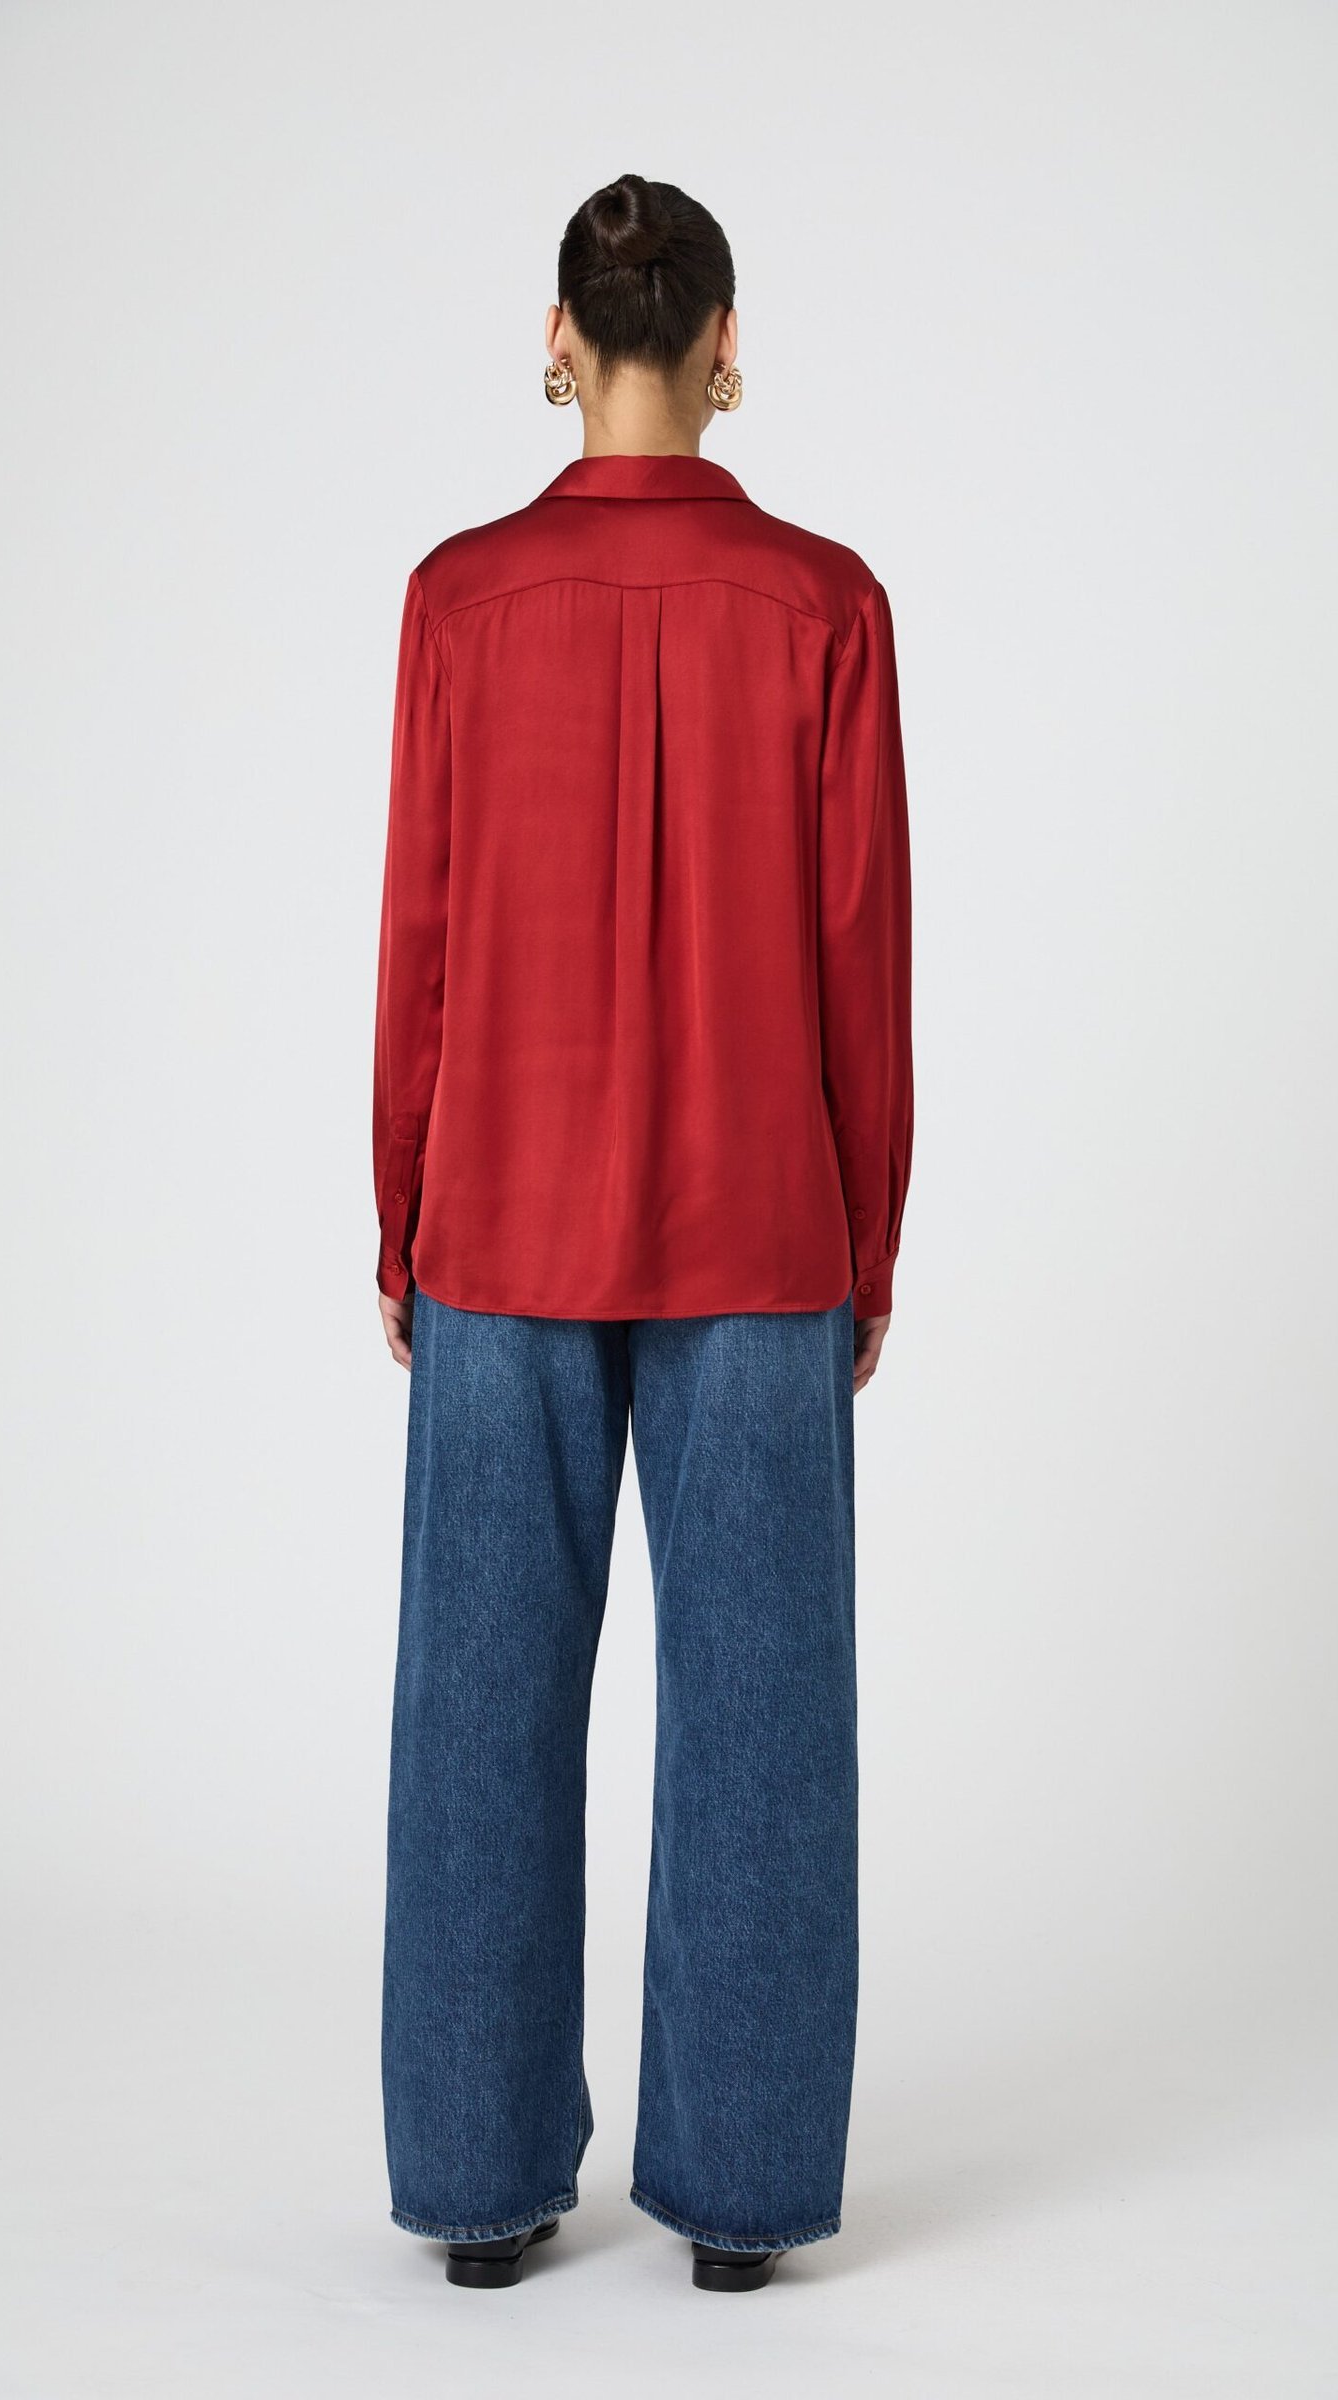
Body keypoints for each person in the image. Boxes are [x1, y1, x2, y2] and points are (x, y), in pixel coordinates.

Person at [372, 172, 912, 2294]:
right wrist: (869, 1236)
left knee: (476, 1712)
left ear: (558, 340)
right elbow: (860, 956)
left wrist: (400, 1212)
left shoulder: (458, 602)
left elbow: (421, 940)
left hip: (499, 1220)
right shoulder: (824, 605)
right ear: (721, 345)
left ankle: (478, 2190)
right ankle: (743, 2205)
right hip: (760, 1230)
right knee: (763, 1719)